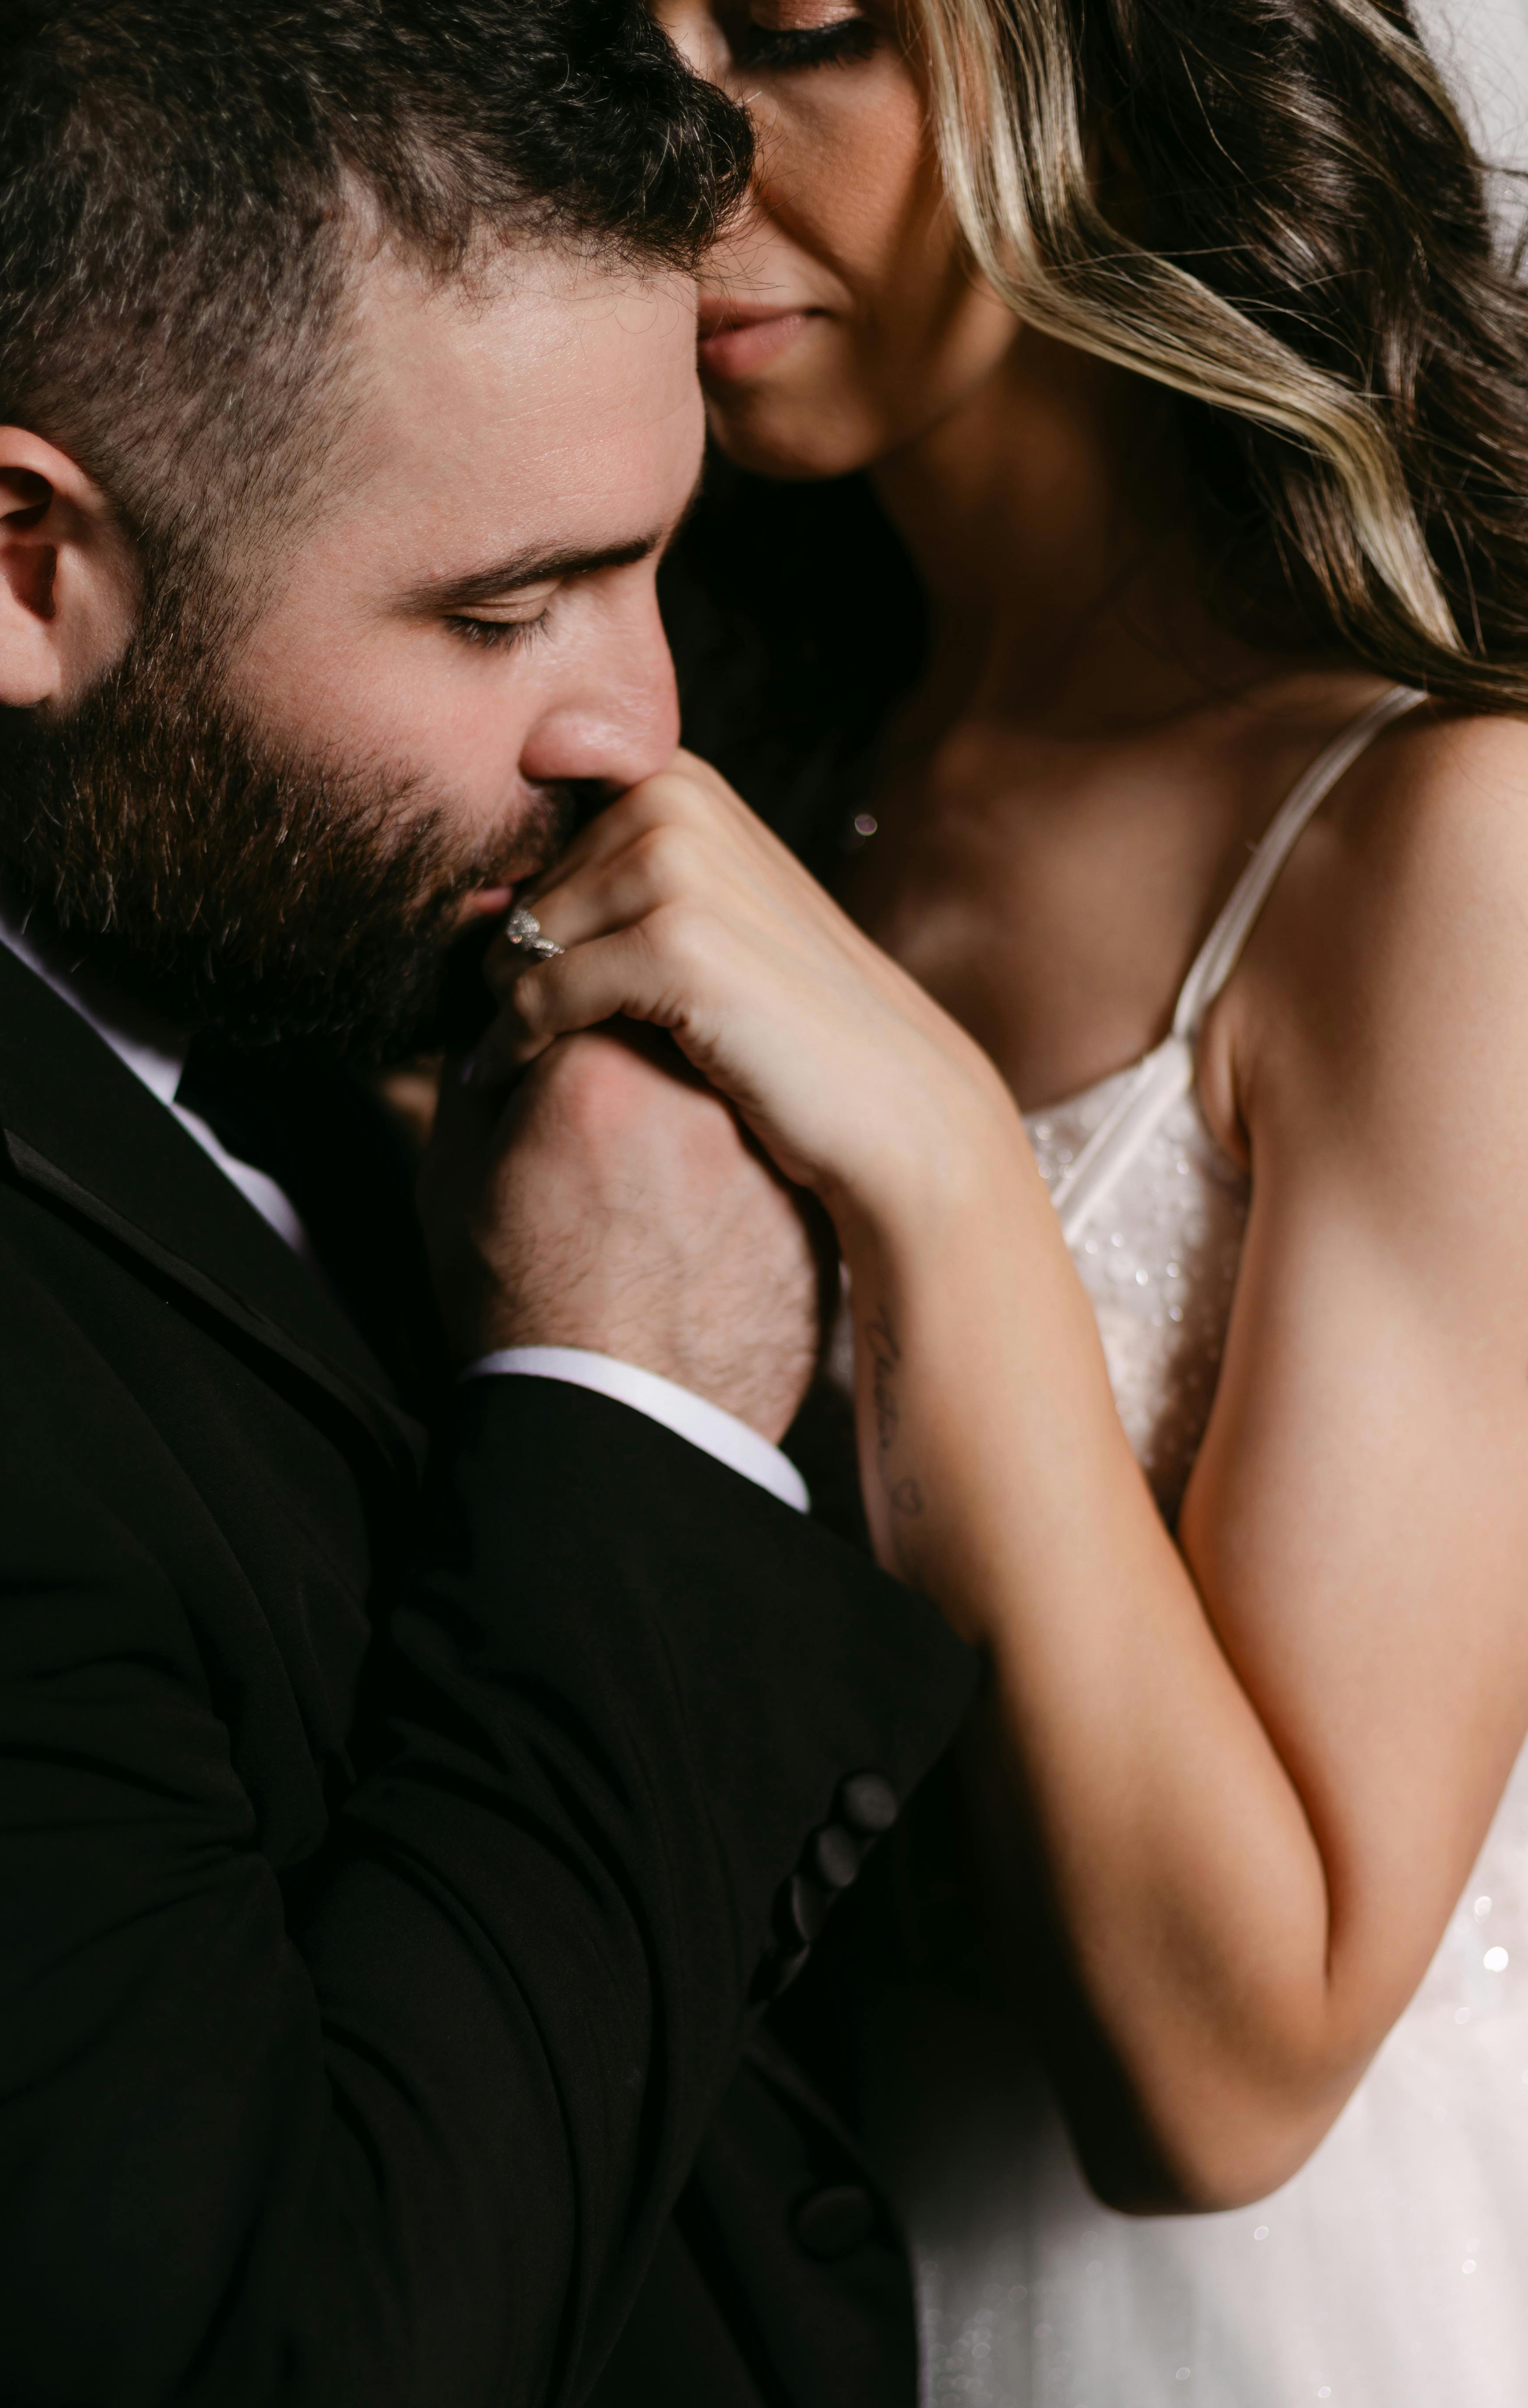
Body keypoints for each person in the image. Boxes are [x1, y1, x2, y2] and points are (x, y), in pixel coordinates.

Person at [0, 5, 982, 2402]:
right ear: (25, 569)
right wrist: (635, 1414)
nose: (640, 726)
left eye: (657, 563)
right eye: (506, 608)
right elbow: (294, 2353)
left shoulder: (178, 871)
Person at [470, 0, 1528, 2399]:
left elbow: (1229, 2082)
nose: (679, 147)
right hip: (761, 2300)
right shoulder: (740, 768)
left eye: (800, 27)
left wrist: (939, 1159)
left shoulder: (1440, 846)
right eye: (617, 42)